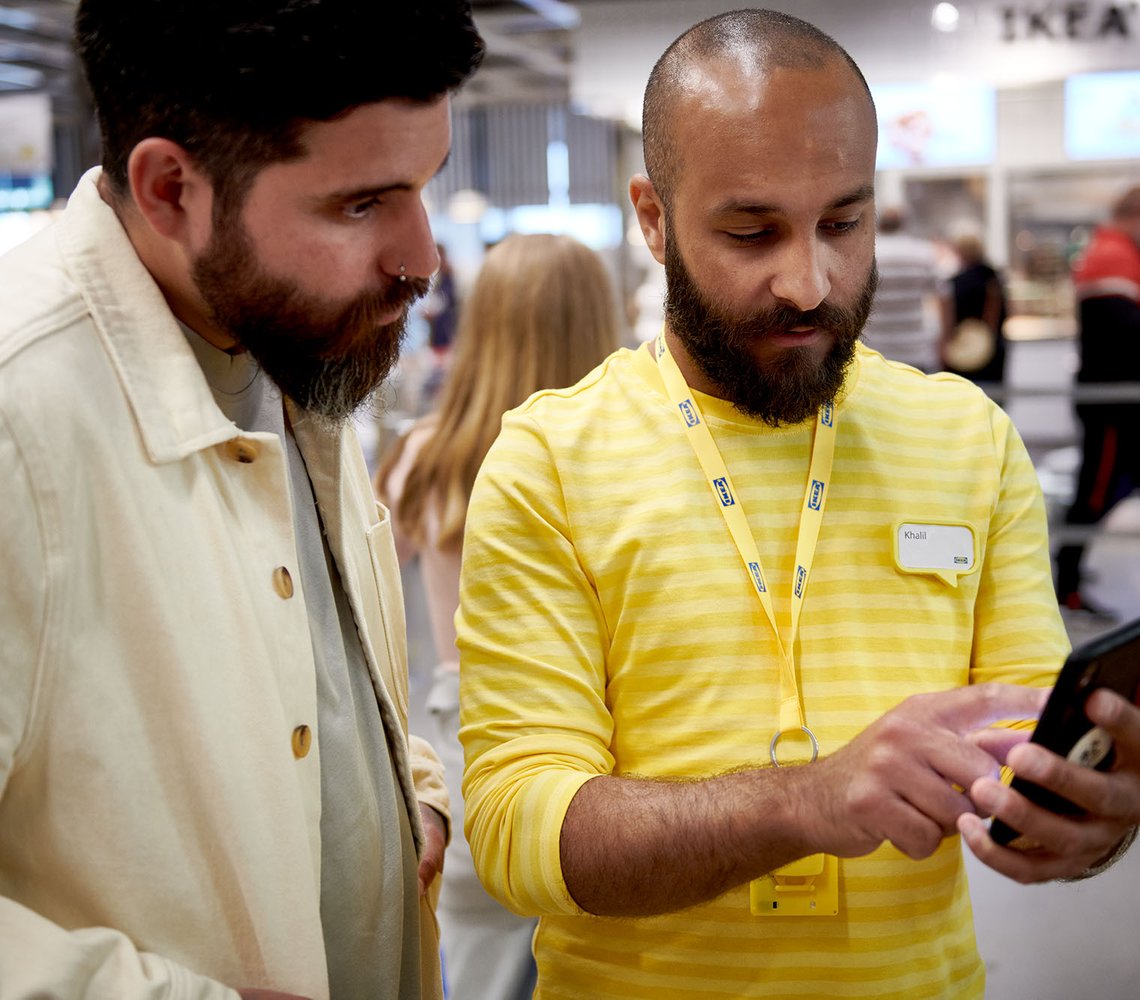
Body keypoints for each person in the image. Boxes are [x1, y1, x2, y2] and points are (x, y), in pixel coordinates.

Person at [456, 10, 1140, 999]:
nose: (808, 281)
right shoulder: (550, 461)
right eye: (751, 230)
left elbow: (1030, 748)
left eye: (844, 223)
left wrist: (1088, 818)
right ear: (653, 218)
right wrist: (804, 801)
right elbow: (521, 831)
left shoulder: (966, 439)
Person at [0, 2, 483, 998]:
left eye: (422, 188)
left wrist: (413, 796)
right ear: (172, 189)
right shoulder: (21, 413)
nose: (422, 258)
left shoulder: (286, 336)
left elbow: (306, 670)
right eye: (360, 204)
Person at [377, 232, 620, 1000]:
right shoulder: (621, 461)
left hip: (468, 743)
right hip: (608, 738)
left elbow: (365, 594)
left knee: (479, 970)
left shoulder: (426, 454)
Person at [1055, 186, 1140, 613]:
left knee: (1098, 491)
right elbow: (1124, 337)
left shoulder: (1116, 252)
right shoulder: (1113, 257)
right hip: (1112, 403)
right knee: (1095, 493)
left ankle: (1066, 578)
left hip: (1116, 400)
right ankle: (1065, 584)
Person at [859, 205, 944, 372]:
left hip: (875, 348)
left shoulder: (869, 253)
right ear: (903, 224)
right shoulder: (923, 252)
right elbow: (944, 296)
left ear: (879, 223)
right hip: (915, 348)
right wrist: (944, 340)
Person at [941, 230, 1009, 385]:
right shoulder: (994, 279)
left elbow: (949, 319)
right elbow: (1004, 313)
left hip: (963, 350)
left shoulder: (957, 282)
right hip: (992, 348)